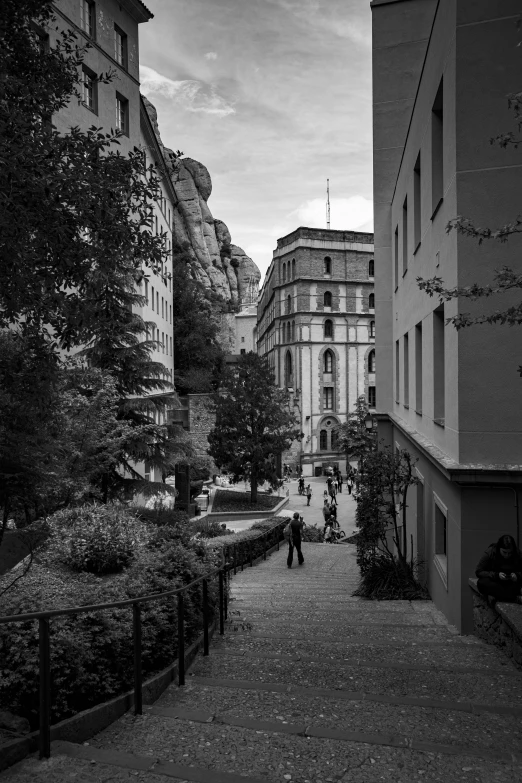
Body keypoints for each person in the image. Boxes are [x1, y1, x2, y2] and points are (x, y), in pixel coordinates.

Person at [475, 534, 522, 603]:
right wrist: (496, 575)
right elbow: (479, 571)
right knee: (481, 583)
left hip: (511, 582)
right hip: (496, 582)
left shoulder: (517, 553)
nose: (507, 555)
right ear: (499, 548)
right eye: (504, 552)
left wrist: (517, 576)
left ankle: (499, 595)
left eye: (510, 553)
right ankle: (514, 598)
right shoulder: (490, 552)